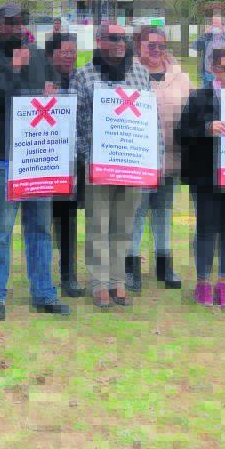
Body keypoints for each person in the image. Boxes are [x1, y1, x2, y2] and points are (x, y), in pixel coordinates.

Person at [0, 3, 71, 321]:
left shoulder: (39, 56)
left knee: (40, 229)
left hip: (38, 158)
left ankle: (44, 293)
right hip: (3, 157)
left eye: (21, 22)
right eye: (10, 22)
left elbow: (55, 90)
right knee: (1, 230)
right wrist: (12, 69)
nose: (16, 27)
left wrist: (54, 90)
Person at [73, 22, 157, 309]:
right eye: (113, 38)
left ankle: (118, 282)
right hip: (98, 164)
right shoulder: (84, 74)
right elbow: (76, 122)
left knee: (124, 225)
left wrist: (152, 159)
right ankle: (99, 284)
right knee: (98, 224)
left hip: (133, 164)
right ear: (99, 41)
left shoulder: (140, 73)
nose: (120, 43)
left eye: (124, 38)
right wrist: (87, 156)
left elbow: (150, 119)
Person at [175, 46, 225, 309]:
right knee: (206, 227)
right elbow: (181, 133)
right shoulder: (200, 97)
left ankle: (224, 283)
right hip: (205, 174)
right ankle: (203, 283)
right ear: (213, 69)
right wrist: (207, 128)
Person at [127, 25, 190, 293]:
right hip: (139, 158)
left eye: (161, 45)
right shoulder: (128, 73)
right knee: (137, 212)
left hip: (172, 157)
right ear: (138, 46)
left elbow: (190, 112)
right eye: (150, 45)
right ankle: (131, 266)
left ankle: (164, 264)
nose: (156, 50)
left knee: (163, 211)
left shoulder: (180, 76)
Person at [44, 31, 83, 297]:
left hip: (72, 160)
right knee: (43, 220)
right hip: (46, 159)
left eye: (73, 51)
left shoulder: (82, 79)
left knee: (68, 218)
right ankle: (43, 274)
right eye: (64, 51)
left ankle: (69, 275)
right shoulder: (39, 78)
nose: (70, 56)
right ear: (51, 54)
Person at [193, 14, 225, 86]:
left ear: (223, 26)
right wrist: (205, 34)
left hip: (222, 75)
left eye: (216, 23)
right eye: (212, 23)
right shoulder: (207, 37)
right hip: (207, 75)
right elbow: (196, 46)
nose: (213, 25)